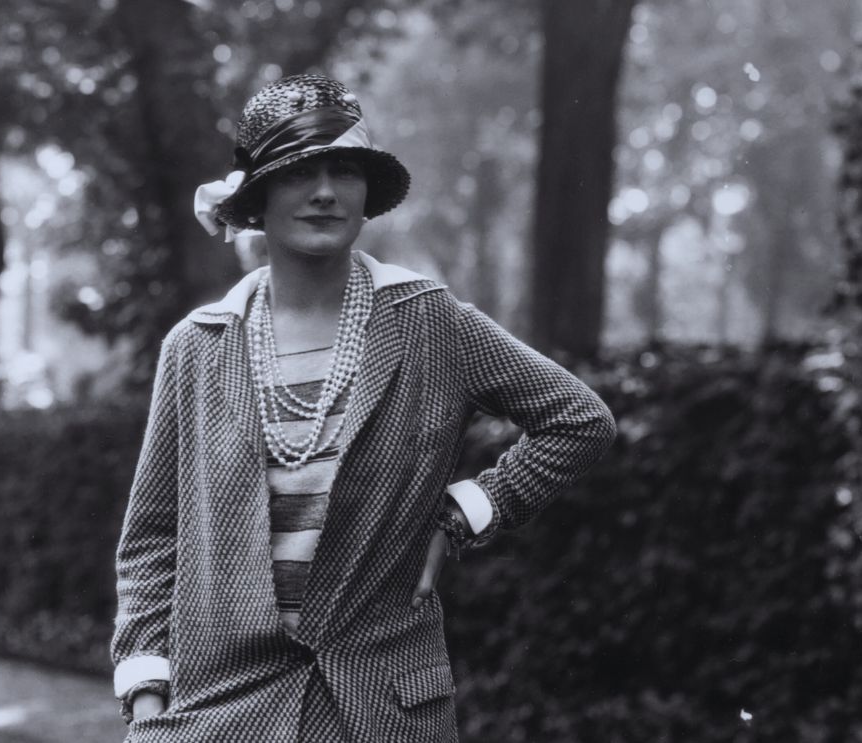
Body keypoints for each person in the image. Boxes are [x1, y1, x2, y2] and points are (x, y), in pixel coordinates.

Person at [110, 74, 616, 742]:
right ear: (257, 197)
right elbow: (152, 538)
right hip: (219, 713)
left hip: (380, 710)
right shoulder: (198, 346)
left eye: (343, 170)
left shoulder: (427, 319)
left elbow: (578, 421)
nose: (323, 191)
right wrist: (148, 699)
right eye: (298, 172)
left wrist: (466, 513)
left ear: (366, 194)